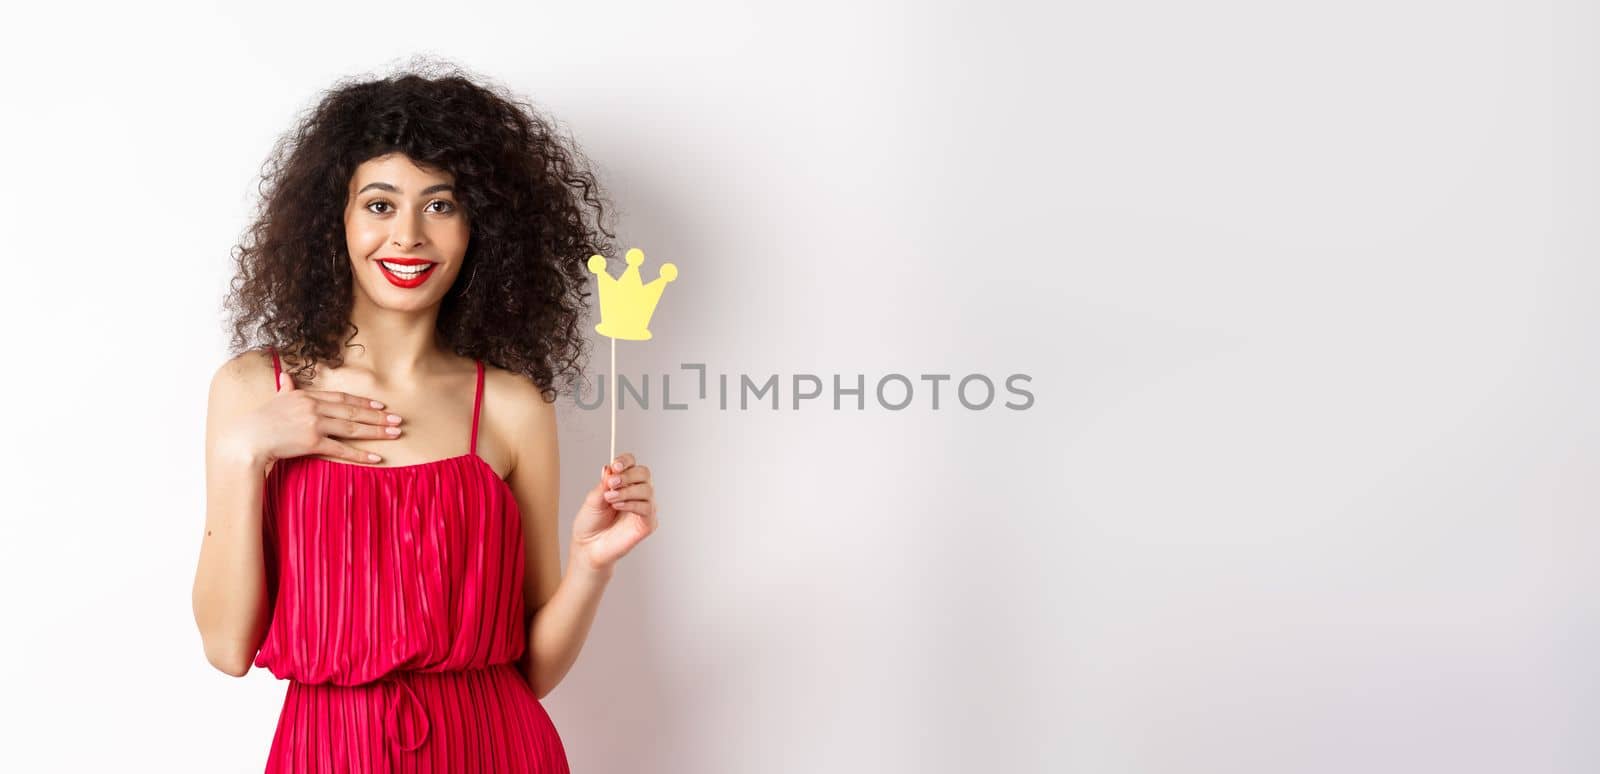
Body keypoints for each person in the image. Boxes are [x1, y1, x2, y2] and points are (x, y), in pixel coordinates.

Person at [190, 60, 660, 772]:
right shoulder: (257, 388)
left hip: (497, 749)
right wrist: (241, 453)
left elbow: (531, 671)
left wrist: (592, 565)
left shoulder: (511, 406)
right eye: (380, 204)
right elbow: (227, 649)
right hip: (330, 753)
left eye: (440, 205)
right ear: (335, 220)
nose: (408, 235)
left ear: (481, 228)